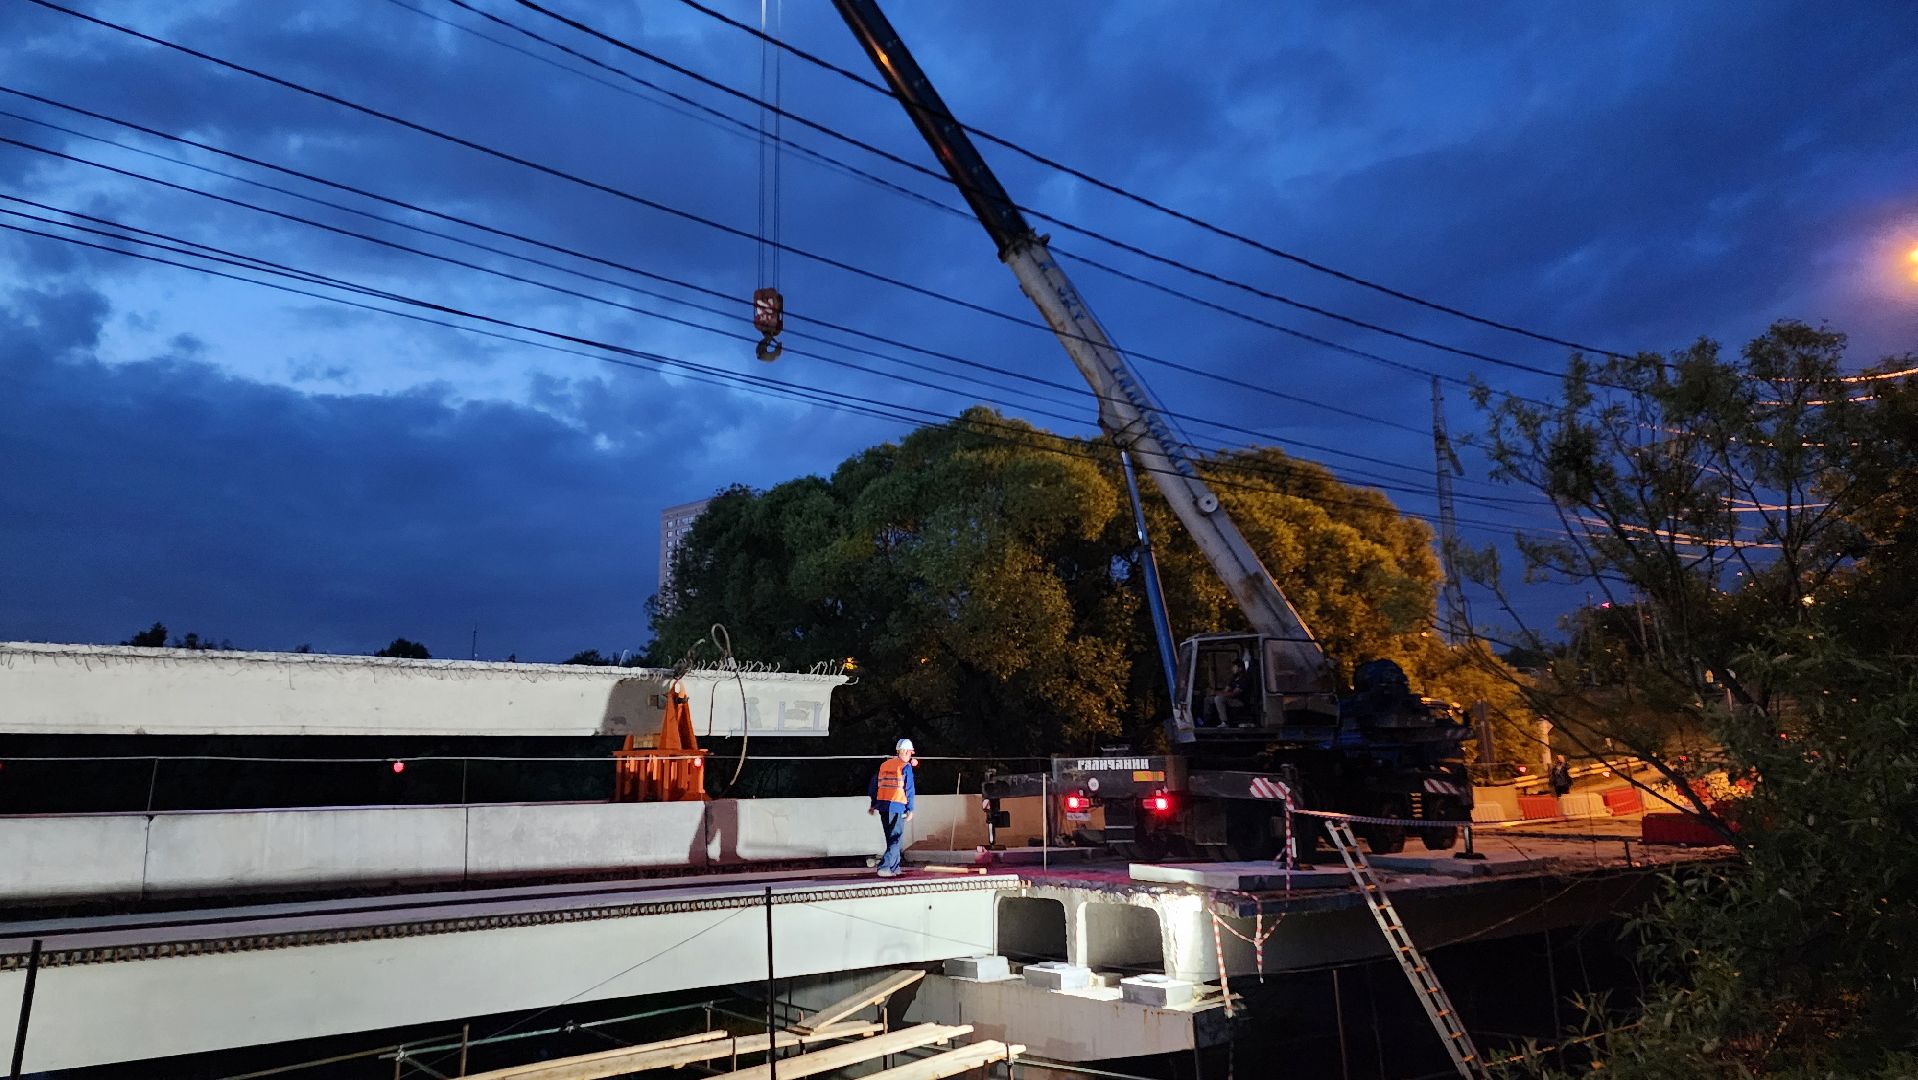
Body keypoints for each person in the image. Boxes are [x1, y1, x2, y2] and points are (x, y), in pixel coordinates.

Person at [868, 737, 916, 877]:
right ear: (906, 752)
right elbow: (909, 789)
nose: (911, 755)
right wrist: (910, 809)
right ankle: (884, 866)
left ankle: (894, 867)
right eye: (910, 753)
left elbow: (873, 785)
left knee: (891, 838)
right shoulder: (905, 767)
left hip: (883, 805)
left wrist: (873, 804)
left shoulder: (885, 765)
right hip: (897, 805)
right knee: (896, 838)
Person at [1208, 660, 1252, 727]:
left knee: (1218, 699)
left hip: (1239, 701)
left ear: (1240, 668)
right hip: (1230, 699)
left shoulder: (1244, 679)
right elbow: (1226, 690)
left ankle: (1224, 722)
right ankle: (1207, 721)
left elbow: (1234, 694)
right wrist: (1214, 692)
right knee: (1208, 699)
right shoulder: (1233, 679)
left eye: (1234, 667)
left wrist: (1218, 693)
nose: (1232, 669)